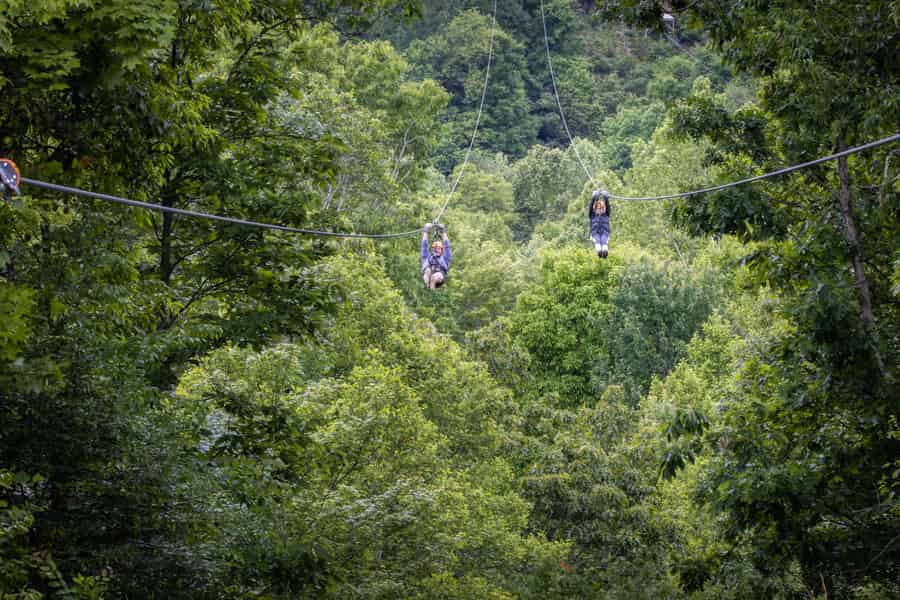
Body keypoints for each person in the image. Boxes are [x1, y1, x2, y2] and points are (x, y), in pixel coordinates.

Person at [421, 222, 451, 289]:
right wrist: (426, 231)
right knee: (428, 271)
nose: (437, 250)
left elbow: (447, 246)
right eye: (435, 248)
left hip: (439, 276)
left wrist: (443, 232)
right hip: (428, 275)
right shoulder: (427, 257)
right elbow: (424, 246)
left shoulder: (445, 258)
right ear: (432, 249)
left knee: (434, 277)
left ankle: (431, 292)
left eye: (439, 249)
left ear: (441, 250)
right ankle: (427, 288)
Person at [588, 189, 611, 259]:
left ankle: (605, 251)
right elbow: (590, 207)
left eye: (601, 208)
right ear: (595, 209)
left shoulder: (606, 214)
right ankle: (599, 251)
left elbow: (608, 206)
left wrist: (606, 199)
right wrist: (594, 198)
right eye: (598, 209)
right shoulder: (592, 215)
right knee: (597, 241)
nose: (600, 210)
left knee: (604, 241)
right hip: (595, 232)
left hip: (605, 232)